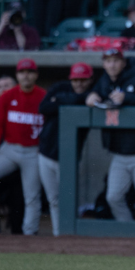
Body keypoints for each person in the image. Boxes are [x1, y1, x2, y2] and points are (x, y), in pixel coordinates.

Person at [87, 48, 135, 222]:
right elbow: (95, 94)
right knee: (113, 197)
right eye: (108, 61)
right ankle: (128, 231)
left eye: (116, 61)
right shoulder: (104, 81)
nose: (112, 65)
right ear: (103, 64)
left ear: (124, 63)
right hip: (119, 152)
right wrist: (92, 96)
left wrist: (128, 98)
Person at [0, 59, 46, 236]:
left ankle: (30, 232)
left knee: (32, 195)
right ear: (17, 75)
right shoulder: (7, 96)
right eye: (22, 72)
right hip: (10, 149)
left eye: (30, 72)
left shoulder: (43, 96)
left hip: (33, 151)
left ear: (36, 75)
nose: (26, 76)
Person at [35, 61, 94, 235]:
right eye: (76, 80)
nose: (79, 84)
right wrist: (76, 99)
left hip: (69, 157)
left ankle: (70, 236)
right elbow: (44, 107)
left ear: (90, 80)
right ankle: (58, 234)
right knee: (53, 199)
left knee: (68, 199)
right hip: (46, 152)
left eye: (83, 80)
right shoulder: (60, 87)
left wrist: (60, 100)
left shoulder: (93, 93)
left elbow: (93, 100)